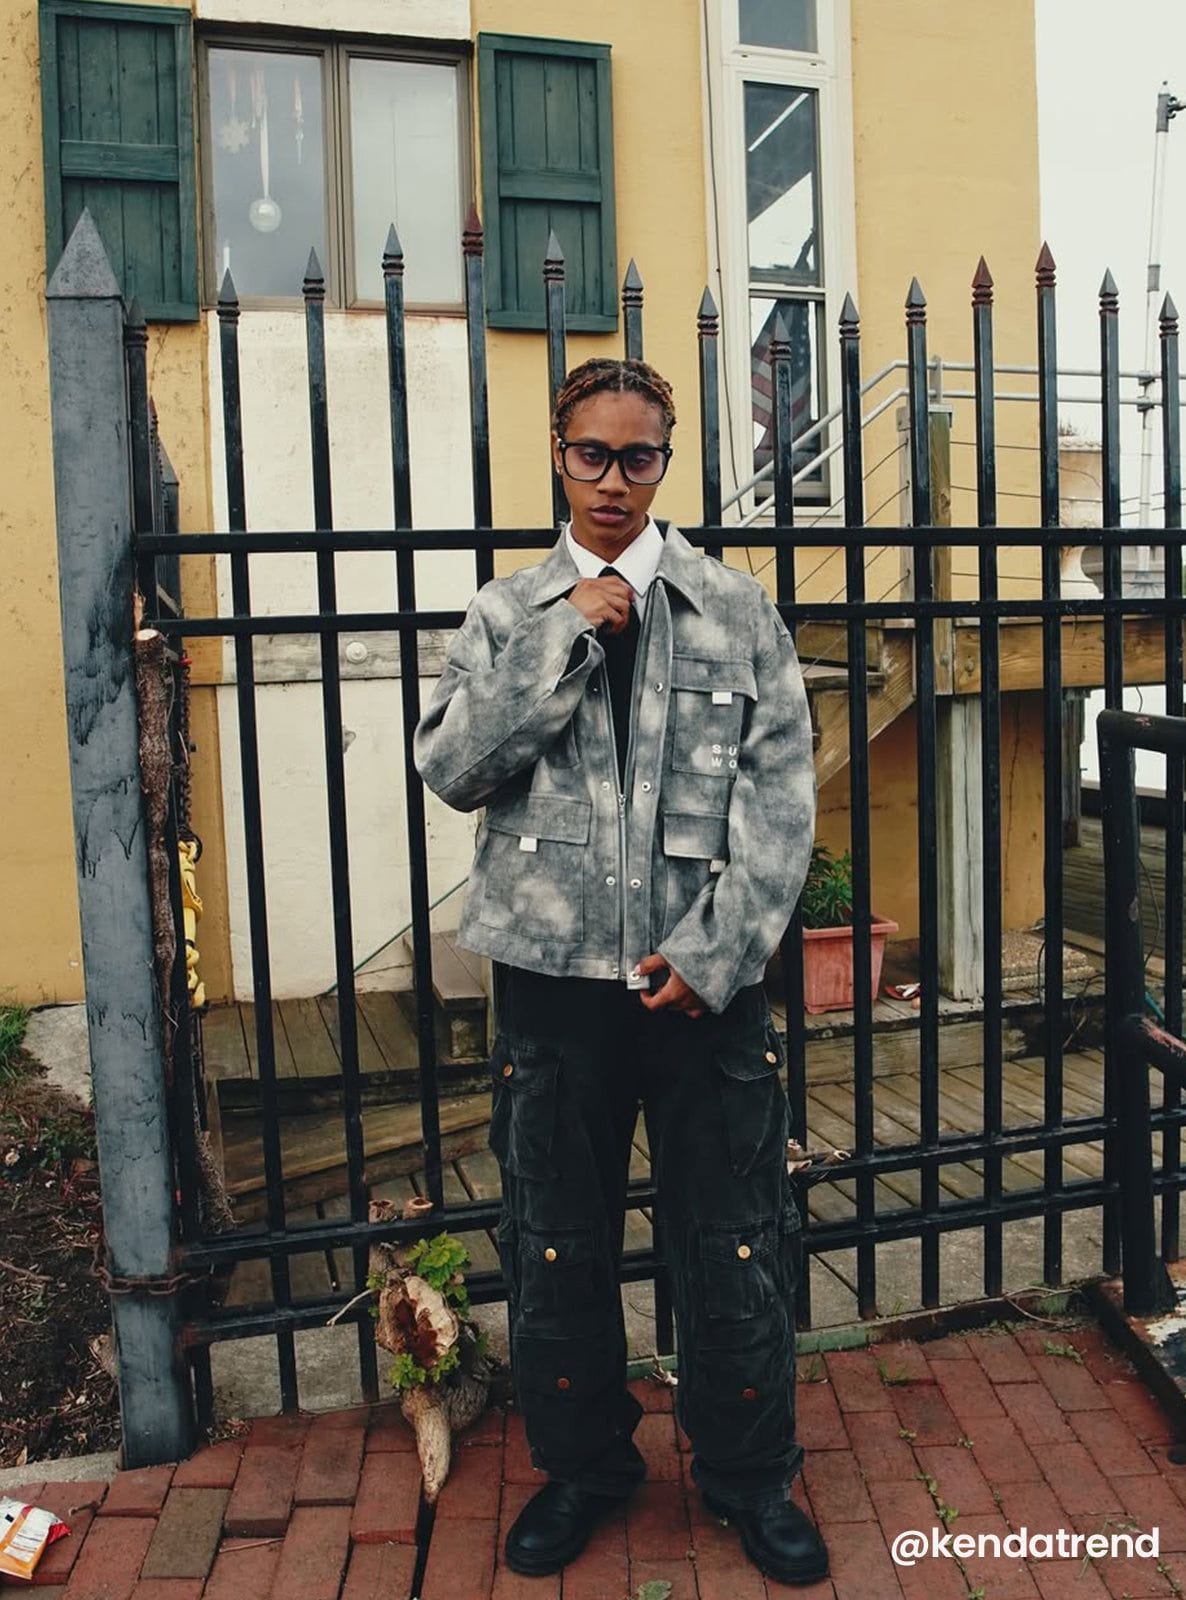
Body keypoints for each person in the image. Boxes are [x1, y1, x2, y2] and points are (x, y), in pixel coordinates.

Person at [414, 357, 824, 1586]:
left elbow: (781, 802)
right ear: (558, 452)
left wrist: (716, 954)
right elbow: (452, 767)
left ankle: (750, 1475)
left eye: (637, 457)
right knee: (557, 1241)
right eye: (590, 453)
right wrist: (565, 641)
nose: (612, 480)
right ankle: (584, 1467)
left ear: (665, 461)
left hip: (704, 990)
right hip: (553, 989)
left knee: (734, 1237)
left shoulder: (734, 609)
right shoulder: (509, 612)